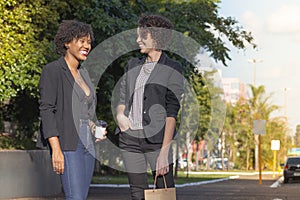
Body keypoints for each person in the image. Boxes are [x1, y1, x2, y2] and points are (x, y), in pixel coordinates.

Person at [115, 14, 184, 200]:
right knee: (137, 193)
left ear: (155, 37)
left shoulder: (173, 67)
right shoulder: (132, 65)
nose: (137, 40)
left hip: (156, 141)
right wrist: (121, 115)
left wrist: (164, 153)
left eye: (142, 36)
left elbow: (172, 112)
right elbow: (122, 98)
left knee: (163, 192)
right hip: (130, 138)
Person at [37, 20, 102, 200]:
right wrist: (56, 149)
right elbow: (47, 110)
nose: (86, 46)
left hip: (88, 143)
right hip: (68, 141)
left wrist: (95, 127)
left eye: (88, 42)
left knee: (81, 196)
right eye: (81, 41)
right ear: (67, 42)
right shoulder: (53, 71)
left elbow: (87, 111)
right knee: (76, 197)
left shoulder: (85, 74)